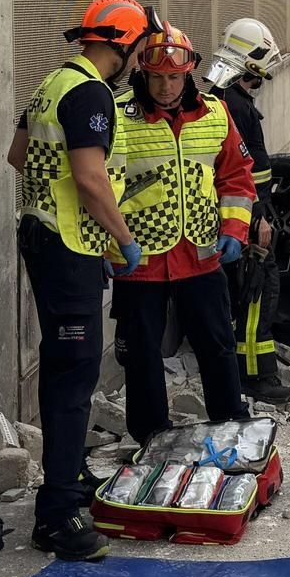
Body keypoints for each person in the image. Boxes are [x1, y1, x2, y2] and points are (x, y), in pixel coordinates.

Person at [9, 0, 159, 560]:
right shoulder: (91, 93)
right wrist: (122, 238)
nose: (142, 59)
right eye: (140, 47)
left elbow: (18, 154)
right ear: (121, 44)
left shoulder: (52, 83)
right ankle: (57, 516)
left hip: (46, 239)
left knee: (65, 370)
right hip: (70, 249)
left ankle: (68, 483)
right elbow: (91, 177)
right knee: (73, 378)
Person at [110, 23, 257, 441]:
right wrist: (109, 244)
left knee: (217, 344)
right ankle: (151, 435)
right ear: (142, 73)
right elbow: (100, 184)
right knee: (140, 355)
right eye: (157, 77)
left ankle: (230, 423)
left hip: (201, 253)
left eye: (174, 77)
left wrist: (234, 229)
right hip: (139, 258)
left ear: (188, 73)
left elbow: (236, 176)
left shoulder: (215, 113)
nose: (166, 86)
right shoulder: (119, 116)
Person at [205, 17, 290, 405]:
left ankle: (244, 368)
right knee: (258, 287)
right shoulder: (236, 106)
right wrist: (258, 218)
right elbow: (244, 172)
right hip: (244, 214)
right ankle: (256, 376)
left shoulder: (218, 97)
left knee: (242, 289)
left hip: (233, 213)